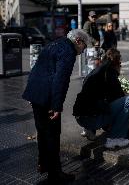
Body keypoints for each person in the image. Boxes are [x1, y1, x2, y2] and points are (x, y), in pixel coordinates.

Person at [22, 29, 90, 184]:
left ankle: (43, 163)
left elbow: (37, 67)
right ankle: (55, 174)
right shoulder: (69, 51)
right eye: (84, 47)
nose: (83, 51)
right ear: (78, 41)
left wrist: (31, 93)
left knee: (42, 131)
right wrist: (56, 106)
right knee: (52, 134)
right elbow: (61, 80)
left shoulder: (55, 43)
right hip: (47, 96)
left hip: (36, 92)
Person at [73, 48, 129, 149]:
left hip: (80, 116)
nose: (121, 66)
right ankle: (116, 138)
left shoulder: (96, 70)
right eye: (120, 64)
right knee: (127, 101)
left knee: (96, 101)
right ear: (117, 63)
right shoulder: (109, 73)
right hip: (92, 118)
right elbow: (119, 98)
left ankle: (89, 129)